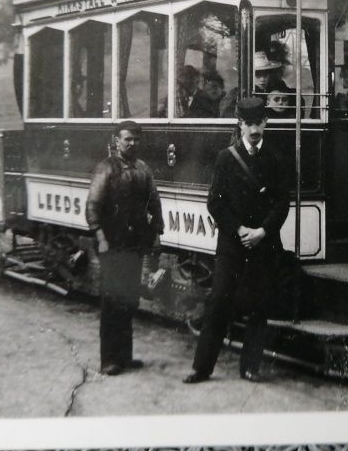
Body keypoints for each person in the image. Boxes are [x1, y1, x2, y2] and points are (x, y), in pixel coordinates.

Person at [184, 98, 290, 383]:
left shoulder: (276, 159)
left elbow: (282, 203)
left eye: (259, 123)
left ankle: (251, 367)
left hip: (263, 244)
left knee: (259, 306)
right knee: (218, 302)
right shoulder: (226, 158)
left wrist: (262, 232)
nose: (254, 129)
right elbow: (215, 204)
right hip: (232, 245)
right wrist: (240, 229)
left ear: (266, 122)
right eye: (249, 123)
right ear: (240, 124)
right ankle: (202, 368)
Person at [84, 121, 164, 376]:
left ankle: (125, 357)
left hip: (134, 244)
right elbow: (93, 206)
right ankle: (109, 359)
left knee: (129, 300)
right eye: (127, 139)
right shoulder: (106, 168)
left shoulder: (143, 169)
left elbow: (155, 202)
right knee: (112, 301)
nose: (132, 144)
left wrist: (157, 234)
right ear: (116, 140)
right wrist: (101, 236)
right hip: (112, 243)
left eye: (136, 140)